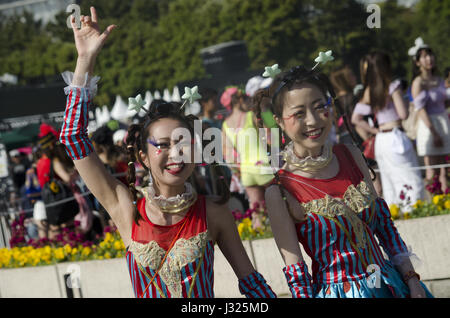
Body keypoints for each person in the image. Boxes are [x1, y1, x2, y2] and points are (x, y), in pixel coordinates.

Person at [59, 7, 275, 298]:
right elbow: (73, 137)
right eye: (162, 145)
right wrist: (85, 59)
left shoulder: (214, 213)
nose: (176, 153)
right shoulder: (126, 207)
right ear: (143, 157)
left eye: (183, 143)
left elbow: (253, 287)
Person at [254, 62, 432, 298]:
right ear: (279, 121)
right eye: (299, 113)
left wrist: (412, 281)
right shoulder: (280, 191)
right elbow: (296, 272)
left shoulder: (351, 155)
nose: (313, 120)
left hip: (393, 286)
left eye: (319, 107)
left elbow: (385, 228)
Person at [352, 51, 424, 208]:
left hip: (382, 140)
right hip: (395, 136)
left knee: (389, 180)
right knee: (408, 177)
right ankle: (413, 210)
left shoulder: (369, 91)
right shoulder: (392, 87)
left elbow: (355, 118)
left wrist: (375, 131)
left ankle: (395, 212)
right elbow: (403, 114)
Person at [221, 86, 275, 229]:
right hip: (263, 166)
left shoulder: (225, 125)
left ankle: (260, 233)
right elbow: (271, 136)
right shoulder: (251, 116)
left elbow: (227, 155)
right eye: (244, 98)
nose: (247, 100)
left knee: (256, 209)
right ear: (238, 100)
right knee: (278, 203)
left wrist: (237, 173)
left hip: (246, 171)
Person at [410, 41, 450, 194]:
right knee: (431, 171)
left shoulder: (440, 80)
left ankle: (445, 201)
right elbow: (420, 110)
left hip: (443, 121)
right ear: (418, 62)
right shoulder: (418, 82)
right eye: (425, 57)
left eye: (430, 55)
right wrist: (434, 132)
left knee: (444, 170)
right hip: (428, 125)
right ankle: (433, 201)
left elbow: (443, 103)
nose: (429, 59)